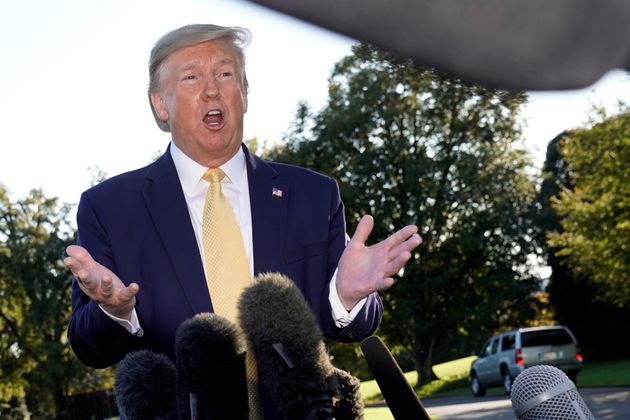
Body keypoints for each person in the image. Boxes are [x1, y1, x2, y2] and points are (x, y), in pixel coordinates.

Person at [64, 24, 421, 418]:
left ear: (245, 94)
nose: (212, 89)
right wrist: (114, 310)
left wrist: (347, 297)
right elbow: (88, 346)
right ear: (160, 104)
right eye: (191, 77)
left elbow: (351, 327)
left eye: (225, 73)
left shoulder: (314, 195)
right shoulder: (110, 208)